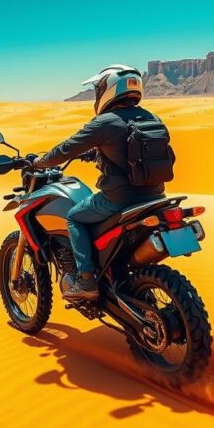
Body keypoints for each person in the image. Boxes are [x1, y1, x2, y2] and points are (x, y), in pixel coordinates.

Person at [31, 64, 168, 301]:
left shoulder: (105, 122)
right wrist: (98, 153)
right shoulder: (151, 118)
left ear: (108, 89)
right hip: (156, 196)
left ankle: (86, 280)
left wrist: (40, 163)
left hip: (118, 199)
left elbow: (65, 149)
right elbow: (132, 152)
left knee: (74, 217)